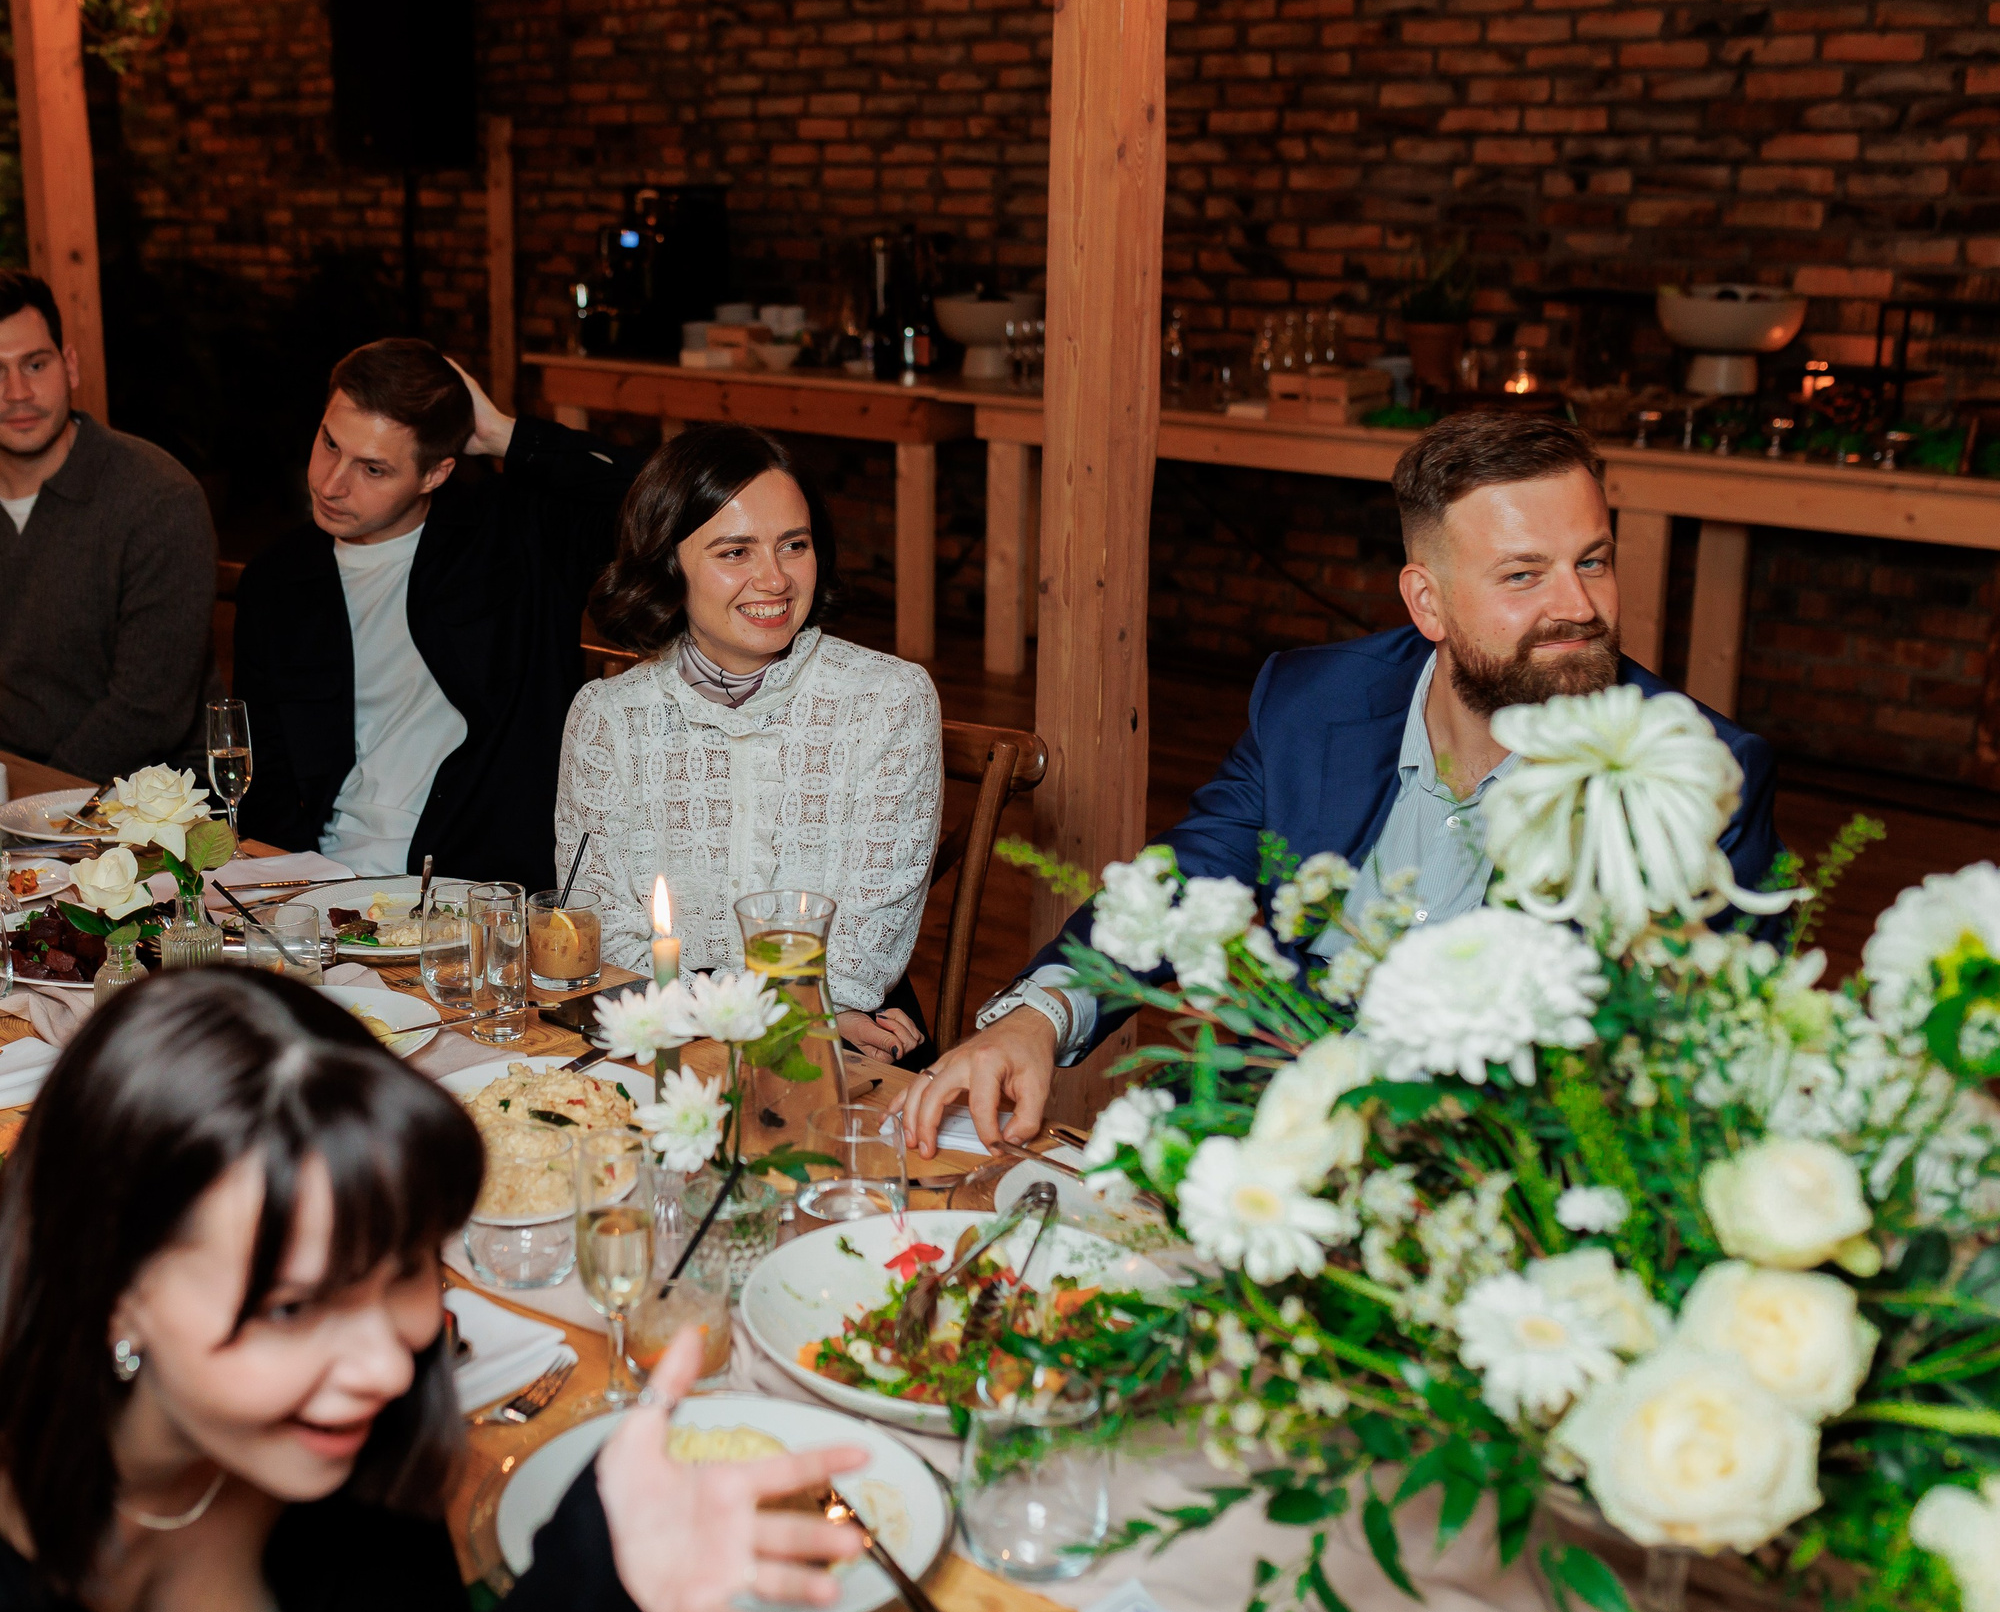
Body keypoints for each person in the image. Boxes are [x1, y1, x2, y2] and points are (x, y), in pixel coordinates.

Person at [0, 968, 865, 1612]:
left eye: (410, 1269)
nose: (384, 1359)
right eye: (288, 1308)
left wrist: (594, 1587)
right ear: (113, 1280)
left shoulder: (337, 1409)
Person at [898, 407, 1786, 1155]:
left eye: (1592, 560)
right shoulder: (1312, 704)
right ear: (1426, 601)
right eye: (1524, 575)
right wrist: (1037, 1017)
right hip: (1261, 1154)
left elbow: (1691, 1082)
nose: (1581, 606)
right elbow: (1184, 879)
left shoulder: (1699, 774)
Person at [557, 425, 943, 1066]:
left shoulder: (888, 701)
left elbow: (859, 960)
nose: (775, 579)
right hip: (663, 1047)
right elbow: (597, 934)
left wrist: (710, 994)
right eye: (735, 553)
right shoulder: (607, 717)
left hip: (831, 1057)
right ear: (667, 564)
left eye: (794, 545)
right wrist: (808, 1006)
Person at [234, 340, 636, 888]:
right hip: (321, 881)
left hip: (475, 892)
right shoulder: (279, 578)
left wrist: (502, 434)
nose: (330, 484)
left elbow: (664, 500)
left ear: (436, 473)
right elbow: (266, 772)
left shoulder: (514, 540)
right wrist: (295, 893)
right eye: (330, 444)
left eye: (373, 469)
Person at [0, 270, 215, 779]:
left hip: (143, 804)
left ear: (69, 366)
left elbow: (149, 711)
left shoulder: (157, 497)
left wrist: (27, 812)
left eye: (36, 364)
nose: (19, 392)